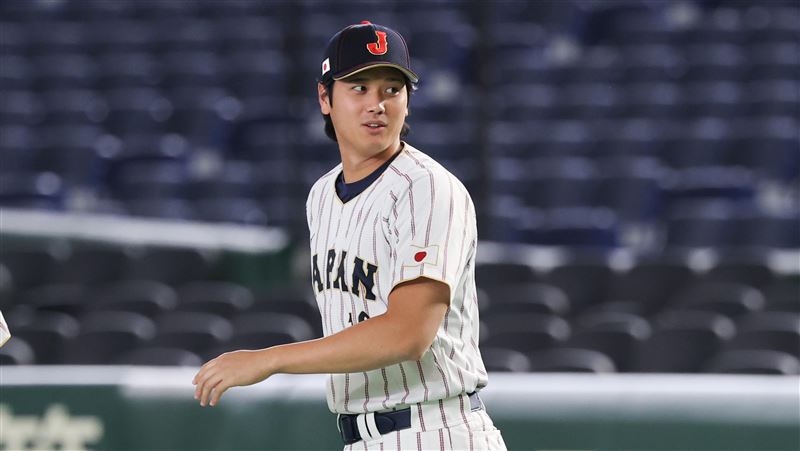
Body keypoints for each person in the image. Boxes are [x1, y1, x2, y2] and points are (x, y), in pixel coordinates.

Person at [193, 21, 507, 450]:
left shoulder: (427, 188)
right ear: (325, 98)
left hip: (435, 428)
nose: (377, 104)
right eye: (359, 88)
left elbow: (408, 333)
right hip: (362, 435)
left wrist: (270, 359)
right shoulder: (321, 196)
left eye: (392, 89)